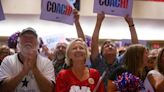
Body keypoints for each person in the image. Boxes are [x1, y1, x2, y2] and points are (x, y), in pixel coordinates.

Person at [90, 12, 139, 90]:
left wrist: (131, 24)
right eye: (106, 46)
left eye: (112, 45)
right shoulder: (98, 61)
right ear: (101, 52)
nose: (110, 46)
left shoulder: (122, 61)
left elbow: (136, 47)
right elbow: (94, 43)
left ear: (116, 51)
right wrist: (98, 21)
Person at [0, 27, 55, 92]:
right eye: (25, 37)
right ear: (19, 43)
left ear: (37, 44)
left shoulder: (46, 62)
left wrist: (34, 68)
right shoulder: (8, 60)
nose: (28, 40)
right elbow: (3, 89)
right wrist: (23, 71)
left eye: (32, 38)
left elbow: (49, 90)